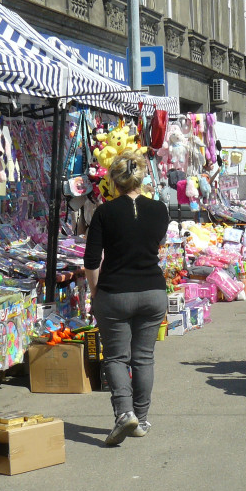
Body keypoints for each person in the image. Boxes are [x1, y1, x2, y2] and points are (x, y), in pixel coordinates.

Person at [84, 152, 171, 445]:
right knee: (144, 358)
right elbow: (156, 244)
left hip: (115, 293)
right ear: (142, 177)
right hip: (153, 291)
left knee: (117, 358)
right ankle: (141, 418)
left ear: (113, 181)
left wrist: (96, 295)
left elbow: (92, 261)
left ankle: (124, 413)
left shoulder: (104, 213)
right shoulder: (160, 210)